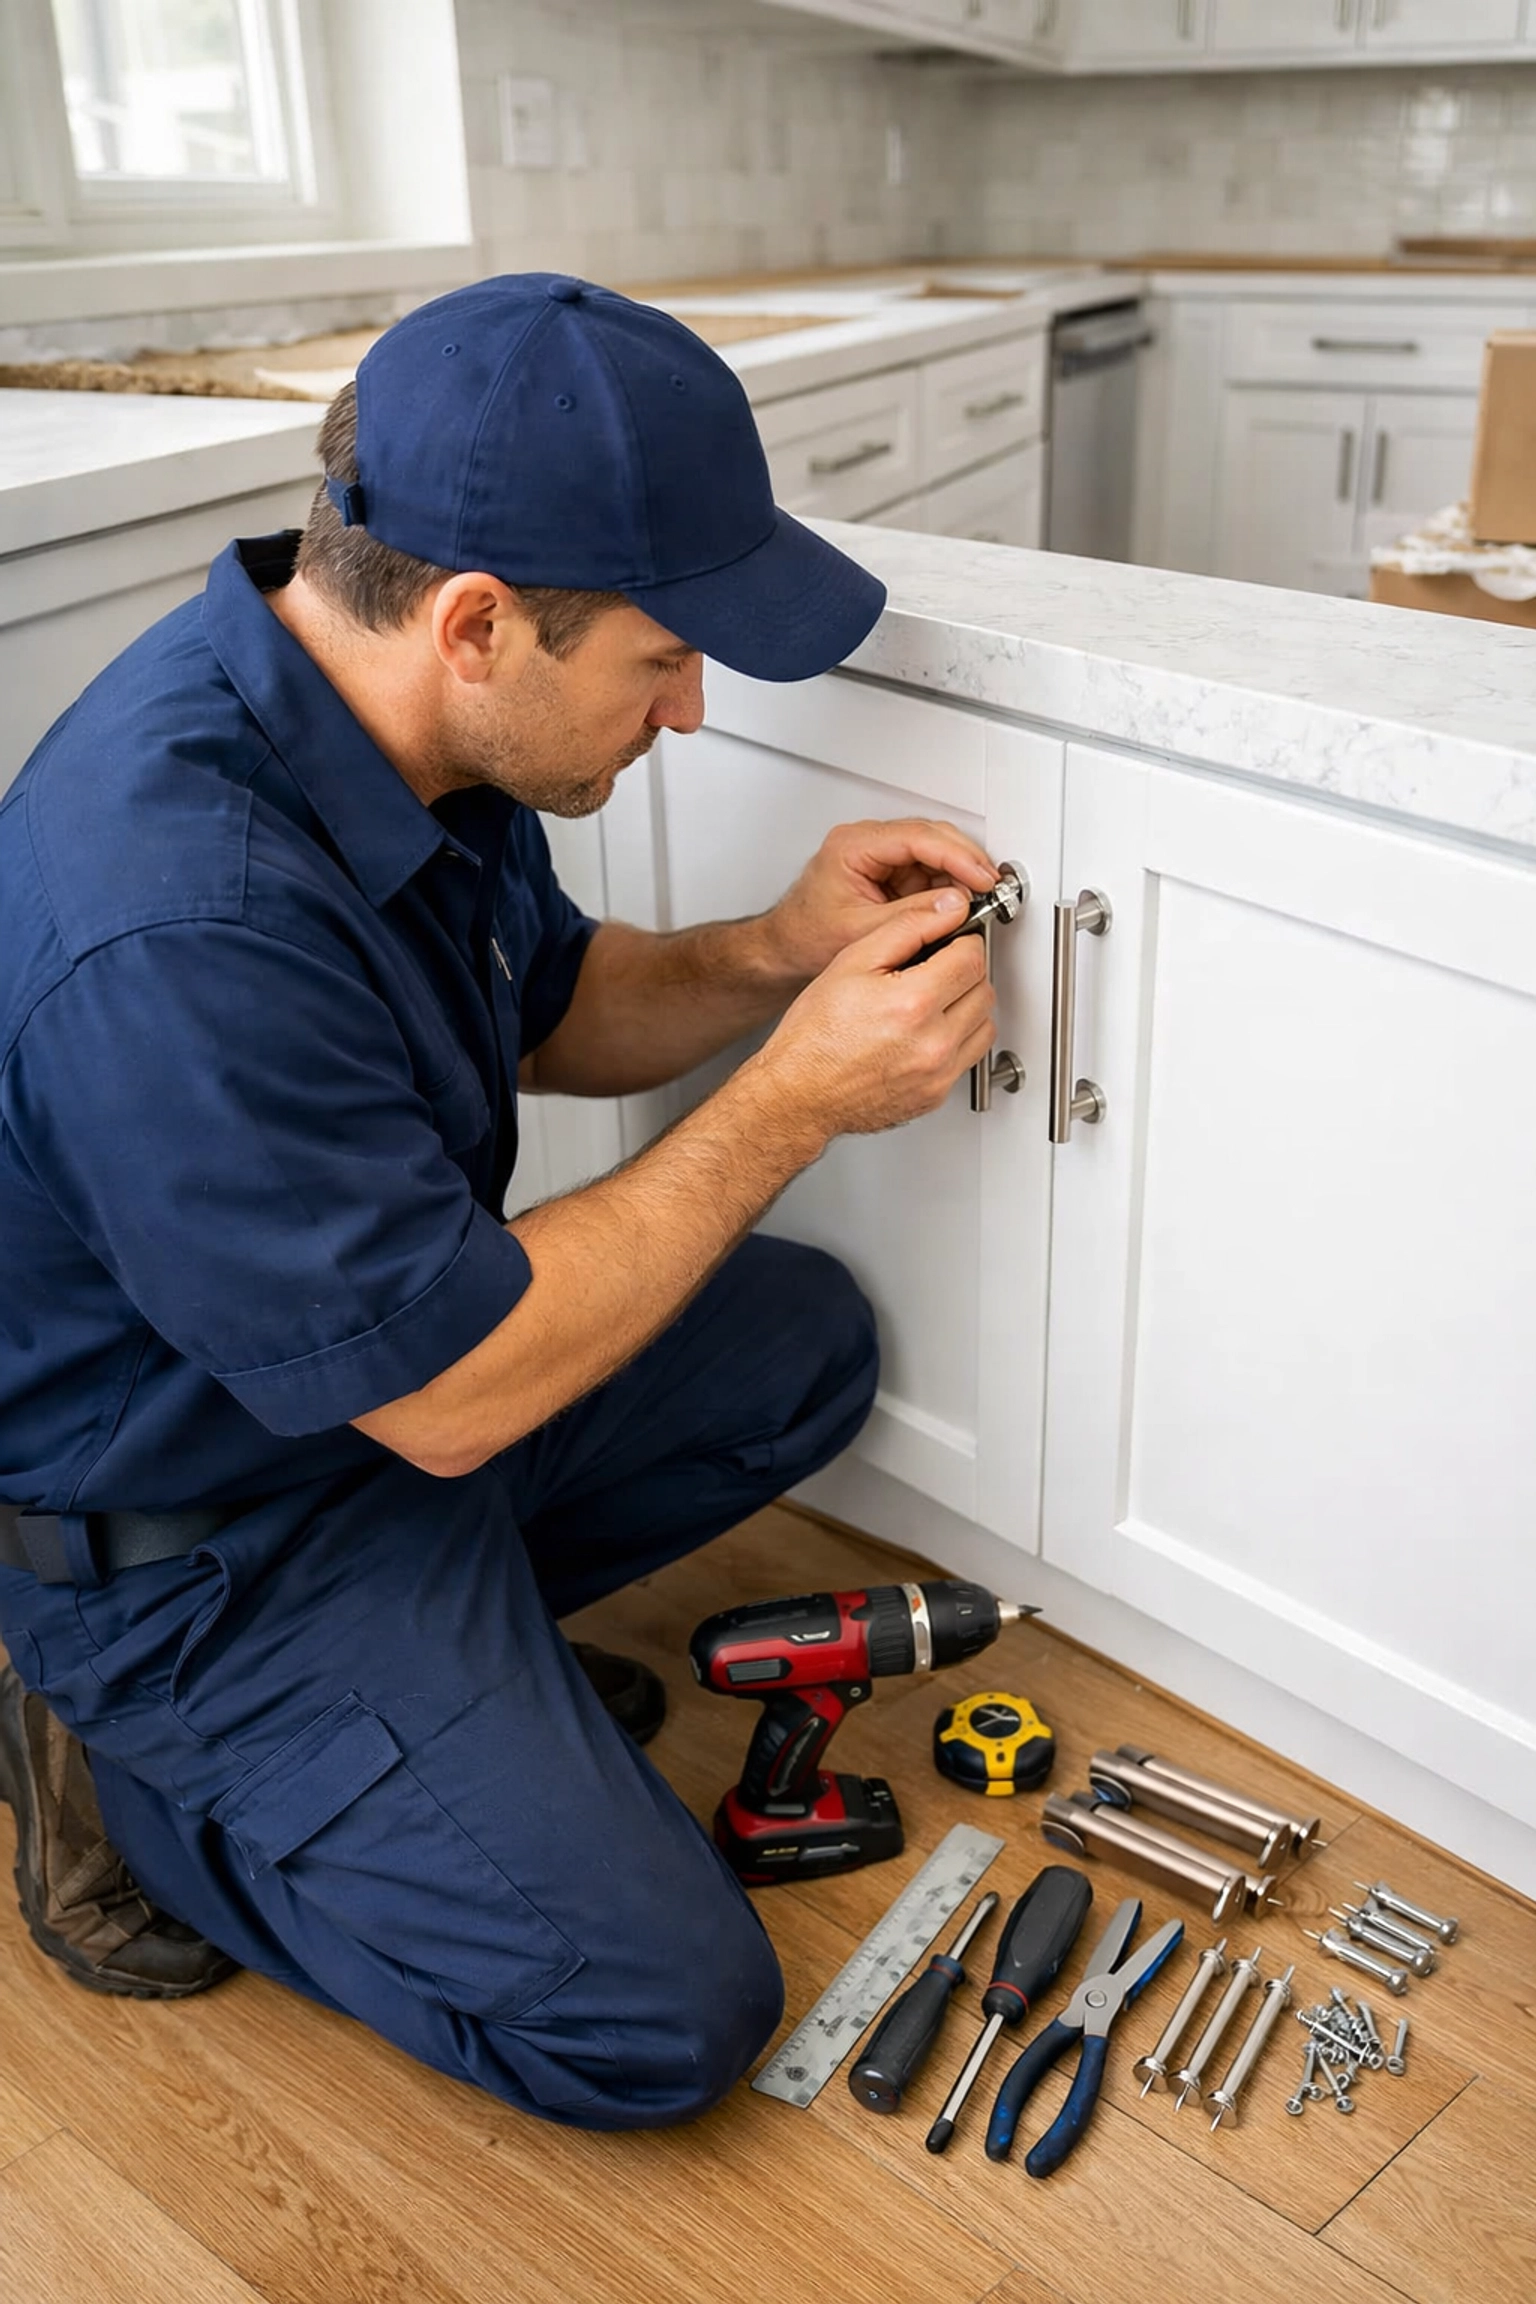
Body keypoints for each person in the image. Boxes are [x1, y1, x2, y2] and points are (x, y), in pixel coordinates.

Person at [0, 274, 1000, 2126]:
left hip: (369, 1427)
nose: (692, 708)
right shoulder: (181, 920)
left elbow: (553, 1012)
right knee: (666, 2021)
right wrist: (789, 1104)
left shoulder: (395, 731)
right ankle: (155, 1797)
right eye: (662, 657)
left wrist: (777, 952)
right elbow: (456, 1392)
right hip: (205, 1552)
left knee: (803, 1346)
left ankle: (437, 1708)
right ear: (477, 622)